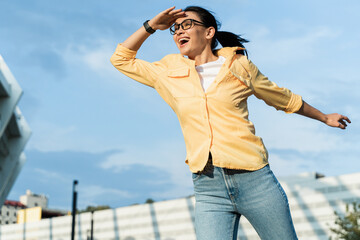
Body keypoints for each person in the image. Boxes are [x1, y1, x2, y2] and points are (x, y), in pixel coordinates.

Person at [110, 6, 351, 240]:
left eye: (187, 25)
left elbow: (283, 98)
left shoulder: (239, 66)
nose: (179, 31)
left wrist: (324, 116)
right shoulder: (168, 71)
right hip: (208, 186)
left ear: (209, 32)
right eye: (174, 28)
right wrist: (151, 26)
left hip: (255, 181)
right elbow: (120, 59)